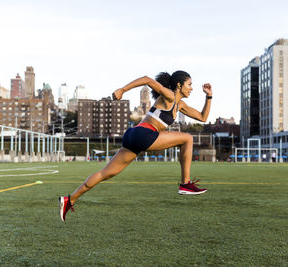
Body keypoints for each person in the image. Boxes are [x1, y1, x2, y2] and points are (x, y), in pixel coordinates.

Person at [59, 71, 212, 221]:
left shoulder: (180, 105)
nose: (191, 88)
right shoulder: (170, 96)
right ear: (179, 85)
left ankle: (70, 199)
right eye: (189, 84)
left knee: (105, 173)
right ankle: (185, 184)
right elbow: (147, 79)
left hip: (133, 135)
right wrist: (122, 90)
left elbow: (202, 117)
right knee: (187, 138)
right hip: (145, 134)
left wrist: (209, 96)